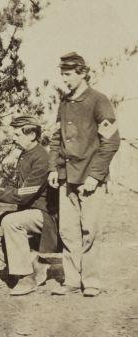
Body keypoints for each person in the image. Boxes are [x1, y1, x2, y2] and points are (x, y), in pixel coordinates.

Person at [47, 52, 120, 297]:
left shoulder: (99, 101)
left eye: (68, 74)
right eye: (62, 74)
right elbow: (56, 138)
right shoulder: (64, 103)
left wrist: (95, 176)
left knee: (90, 229)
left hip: (90, 179)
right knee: (67, 231)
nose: (64, 79)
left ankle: (91, 281)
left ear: (82, 73)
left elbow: (111, 142)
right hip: (67, 178)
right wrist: (54, 168)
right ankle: (71, 280)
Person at [0, 116, 59, 296]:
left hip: (43, 215)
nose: (13, 137)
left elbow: (22, 196)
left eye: (17, 134)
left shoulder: (41, 158)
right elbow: (20, 190)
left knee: (10, 222)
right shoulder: (26, 154)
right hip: (27, 211)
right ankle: (33, 263)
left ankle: (26, 278)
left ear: (32, 135)